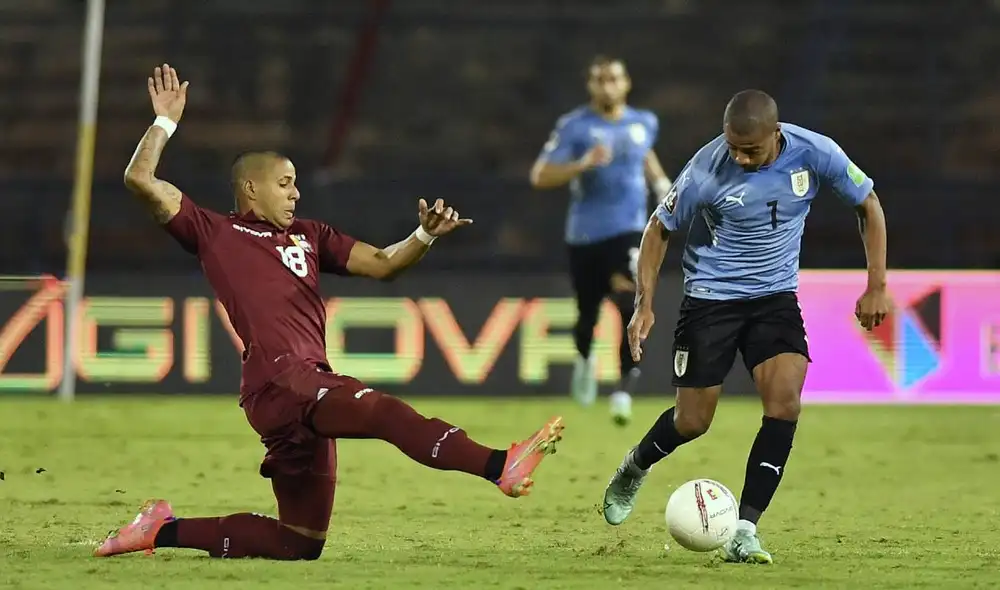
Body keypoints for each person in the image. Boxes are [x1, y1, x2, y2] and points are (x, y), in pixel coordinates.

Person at [94, 64, 564, 560]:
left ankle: (159, 529)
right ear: (251, 188)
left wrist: (423, 235)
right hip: (283, 381)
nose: (296, 192)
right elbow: (140, 178)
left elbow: (384, 264)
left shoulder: (312, 236)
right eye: (285, 182)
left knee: (300, 542)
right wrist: (164, 123)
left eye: (296, 183)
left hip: (295, 391)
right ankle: (498, 465)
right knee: (382, 411)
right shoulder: (214, 232)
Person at [601, 89, 890, 564]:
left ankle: (744, 530)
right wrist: (644, 304)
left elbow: (869, 204)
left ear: (776, 135)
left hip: (774, 299)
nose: (738, 156)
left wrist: (876, 284)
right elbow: (658, 229)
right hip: (710, 300)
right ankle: (635, 465)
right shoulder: (706, 170)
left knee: (785, 403)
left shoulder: (815, 153)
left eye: (750, 150)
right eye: (732, 145)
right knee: (693, 421)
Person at [529, 55, 673, 423]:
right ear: (590, 86)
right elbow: (540, 176)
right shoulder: (575, 127)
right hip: (584, 233)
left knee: (630, 302)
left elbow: (643, 154)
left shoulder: (644, 122)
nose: (607, 86)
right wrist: (581, 164)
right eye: (599, 80)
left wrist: (661, 186)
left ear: (626, 83)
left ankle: (624, 391)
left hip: (629, 228)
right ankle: (584, 358)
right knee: (587, 313)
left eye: (613, 79)